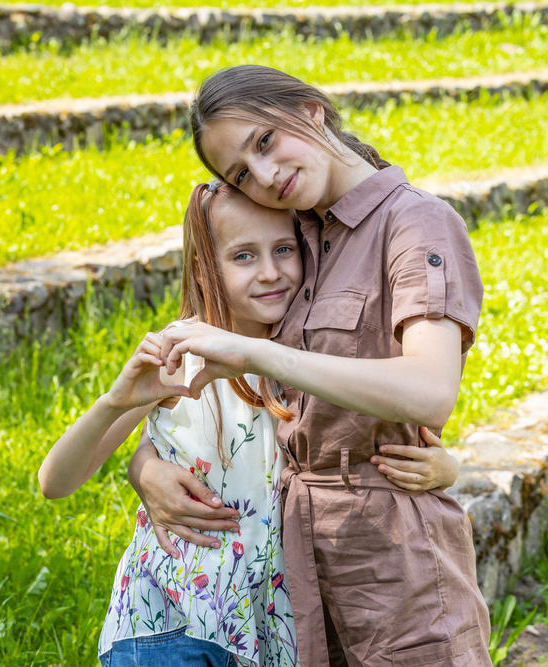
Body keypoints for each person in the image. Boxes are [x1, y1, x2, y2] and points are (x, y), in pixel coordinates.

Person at [130, 65, 493, 667]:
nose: (266, 176)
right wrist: (145, 465)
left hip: (395, 558)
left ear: (310, 110)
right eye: (241, 172)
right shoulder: (292, 236)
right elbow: (221, 395)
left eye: (265, 140)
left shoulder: (415, 223)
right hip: (291, 563)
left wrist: (258, 355)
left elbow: (430, 391)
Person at [38, 181, 459, 667]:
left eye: (284, 249)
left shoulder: (320, 361)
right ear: (204, 267)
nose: (270, 272)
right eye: (243, 256)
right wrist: (116, 406)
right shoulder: (180, 355)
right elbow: (56, 482)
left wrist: (448, 469)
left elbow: (409, 440)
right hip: (169, 620)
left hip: (274, 630)